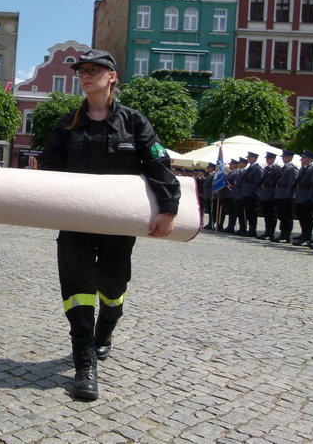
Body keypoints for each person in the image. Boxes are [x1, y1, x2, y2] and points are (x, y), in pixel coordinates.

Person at [38, 50, 180, 401]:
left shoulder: (134, 122)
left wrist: (169, 208)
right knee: (77, 286)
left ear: (112, 76)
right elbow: (49, 170)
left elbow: (157, 162)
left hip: (119, 222)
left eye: (95, 70)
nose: (86, 75)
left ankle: (109, 321)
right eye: (82, 71)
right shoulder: (67, 123)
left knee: (113, 285)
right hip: (76, 221)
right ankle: (84, 363)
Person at [272, 149, 298, 243]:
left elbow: (292, 184)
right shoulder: (284, 168)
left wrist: (288, 196)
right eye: (283, 157)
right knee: (282, 216)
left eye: (285, 157)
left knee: (286, 216)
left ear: (290, 157)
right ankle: (282, 234)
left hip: (286, 196)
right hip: (280, 195)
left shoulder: (292, 168)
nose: (283, 158)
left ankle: (286, 236)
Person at [291, 149, 313, 246]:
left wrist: (309, 198)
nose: (301, 159)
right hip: (300, 196)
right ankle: (303, 234)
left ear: (309, 159)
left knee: (307, 218)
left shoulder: (312, 170)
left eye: (304, 158)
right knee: (301, 216)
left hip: (306, 197)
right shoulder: (302, 169)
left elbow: (312, 185)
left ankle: (307, 237)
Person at [256, 152, 280, 240]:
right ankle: (267, 231)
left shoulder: (277, 169)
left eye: (269, 158)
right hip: (264, 193)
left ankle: (271, 233)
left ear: (273, 159)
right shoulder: (266, 168)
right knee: (266, 214)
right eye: (267, 158)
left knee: (271, 214)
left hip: (271, 193)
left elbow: (276, 182)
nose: (268, 160)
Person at [239, 152, 262, 237]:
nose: (248, 159)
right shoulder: (250, 168)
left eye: (250, 157)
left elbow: (258, 182)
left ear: (254, 158)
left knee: (252, 213)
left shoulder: (257, 168)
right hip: (246, 193)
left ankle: (252, 230)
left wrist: (255, 194)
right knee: (248, 212)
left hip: (251, 194)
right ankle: (250, 229)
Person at [202, 163, 216, 230]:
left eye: (209, 167)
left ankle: (212, 223)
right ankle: (210, 223)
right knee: (210, 211)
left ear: (213, 168)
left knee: (211, 210)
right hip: (207, 195)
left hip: (210, 195)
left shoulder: (214, 175)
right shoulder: (209, 175)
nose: (207, 168)